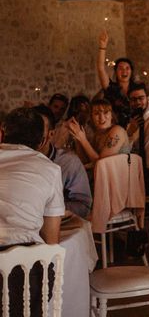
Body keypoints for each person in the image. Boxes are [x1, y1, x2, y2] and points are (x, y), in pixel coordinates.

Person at [0, 107, 65, 317]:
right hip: (23, 271)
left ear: (3, 134)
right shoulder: (50, 169)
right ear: (43, 141)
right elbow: (51, 239)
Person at [33, 105, 92, 219]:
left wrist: (49, 210)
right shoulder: (17, 158)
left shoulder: (68, 161)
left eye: (38, 129)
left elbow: (83, 205)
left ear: (51, 134)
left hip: (55, 222)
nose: (32, 133)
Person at [68, 98, 130, 163]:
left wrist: (83, 140)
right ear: (91, 117)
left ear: (111, 115)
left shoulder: (117, 131)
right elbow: (85, 161)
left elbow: (102, 164)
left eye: (106, 112)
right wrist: (77, 138)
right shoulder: (97, 134)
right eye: (97, 113)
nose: (101, 117)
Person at [97, 30, 134, 127]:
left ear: (131, 71)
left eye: (127, 68)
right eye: (120, 68)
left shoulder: (137, 89)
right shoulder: (111, 88)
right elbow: (101, 68)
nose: (124, 71)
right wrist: (103, 46)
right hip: (114, 129)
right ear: (116, 72)